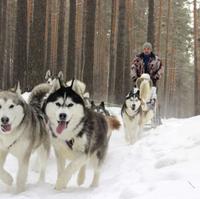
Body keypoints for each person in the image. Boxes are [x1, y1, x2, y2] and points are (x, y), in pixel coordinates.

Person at [130, 42, 163, 107]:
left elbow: (161, 68)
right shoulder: (137, 58)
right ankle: (133, 107)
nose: (146, 50)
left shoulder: (156, 59)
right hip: (139, 80)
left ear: (150, 50)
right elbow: (133, 67)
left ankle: (153, 109)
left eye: (148, 49)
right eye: (145, 49)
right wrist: (134, 77)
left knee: (153, 96)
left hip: (152, 81)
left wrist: (156, 77)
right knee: (135, 94)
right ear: (143, 49)